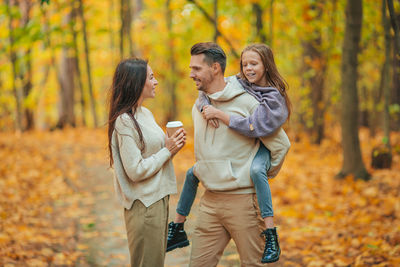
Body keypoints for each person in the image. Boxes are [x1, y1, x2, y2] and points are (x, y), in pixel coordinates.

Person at [167, 44, 290, 264]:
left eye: (196, 68)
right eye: (190, 68)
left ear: (215, 68)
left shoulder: (249, 103)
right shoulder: (199, 105)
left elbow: (281, 145)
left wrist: (256, 173)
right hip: (209, 202)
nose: (190, 74)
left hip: (243, 202)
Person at [107, 58, 186, 267]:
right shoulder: (124, 121)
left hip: (158, 199)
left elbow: (156, 157)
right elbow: (135, 170)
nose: (156, 82)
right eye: (151, 78)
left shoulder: (145, 114)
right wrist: (167, 150)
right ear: (136, 83)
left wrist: (173, 148)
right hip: (143, 205)